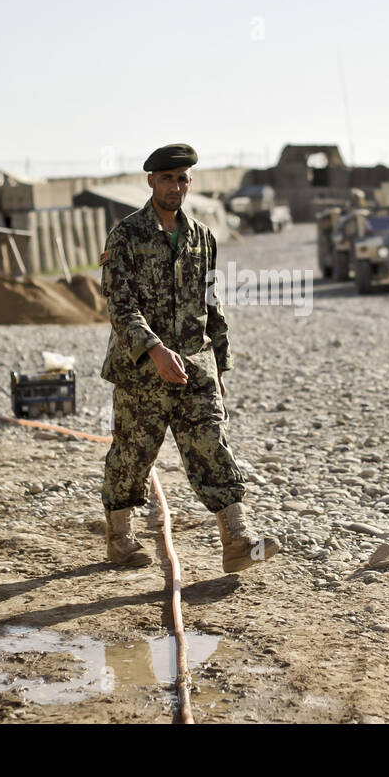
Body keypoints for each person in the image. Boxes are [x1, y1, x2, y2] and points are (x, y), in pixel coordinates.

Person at [98, 142, 280, 573]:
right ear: (151, 182)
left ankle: (236, 540)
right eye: (167, 179)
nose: (176, 186)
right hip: (141, 370)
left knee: (212, 445)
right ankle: (120, 538)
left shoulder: (202, 237)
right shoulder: (125, 236)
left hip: (194, 367)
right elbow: (119, 306)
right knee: (132, 455)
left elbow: (212, 304)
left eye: (183, 179)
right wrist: (155, 350)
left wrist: (220, 364)